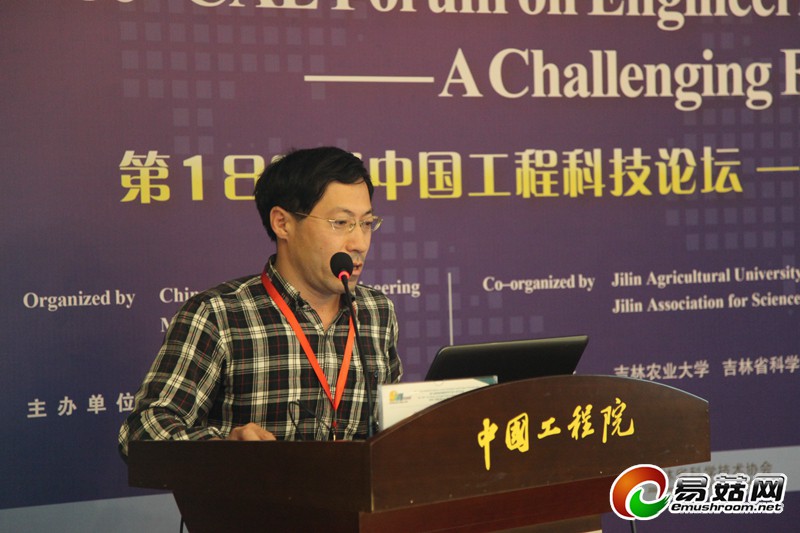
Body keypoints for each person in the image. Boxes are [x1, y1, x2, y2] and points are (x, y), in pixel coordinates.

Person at [118, 146, 402, 457]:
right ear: (282, 223)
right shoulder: (218, 315)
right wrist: (223, 449)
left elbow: (393, 431)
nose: (359, 243)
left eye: (366, 223)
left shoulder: (376, 312)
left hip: (352, 489)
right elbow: (141, 433)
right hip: (254, 490)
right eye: (340, 223)